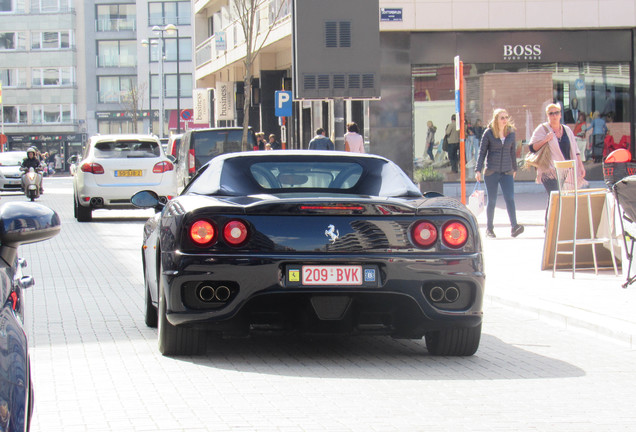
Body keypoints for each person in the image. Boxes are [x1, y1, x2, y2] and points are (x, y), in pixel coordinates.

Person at [527, 103, 586, 224]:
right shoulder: (542, 129)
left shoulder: (567, 130)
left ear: (560, 115)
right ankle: (554, 225)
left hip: (564, 170)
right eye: (551, 113)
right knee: (556, 196)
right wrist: (545, 140)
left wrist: (580, 166)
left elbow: (575, 149)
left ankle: (550, 225)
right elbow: (532, 148)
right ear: (547, 116)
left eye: (556, 113)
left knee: (554, 198)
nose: (554, 116)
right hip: (548, 170)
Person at [475, 109, 524, 239]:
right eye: (502, 117)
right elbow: (482, 152)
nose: (505, 120)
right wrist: (478, 170)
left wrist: (514, 168)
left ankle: (514, 226)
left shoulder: (510, 133)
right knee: (492, 200)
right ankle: (489, 229)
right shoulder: (489, 133)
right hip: (492, 171)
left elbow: (512, 152)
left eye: (506, 117)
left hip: (507, 171)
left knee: (510, 198)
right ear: (496, 119)